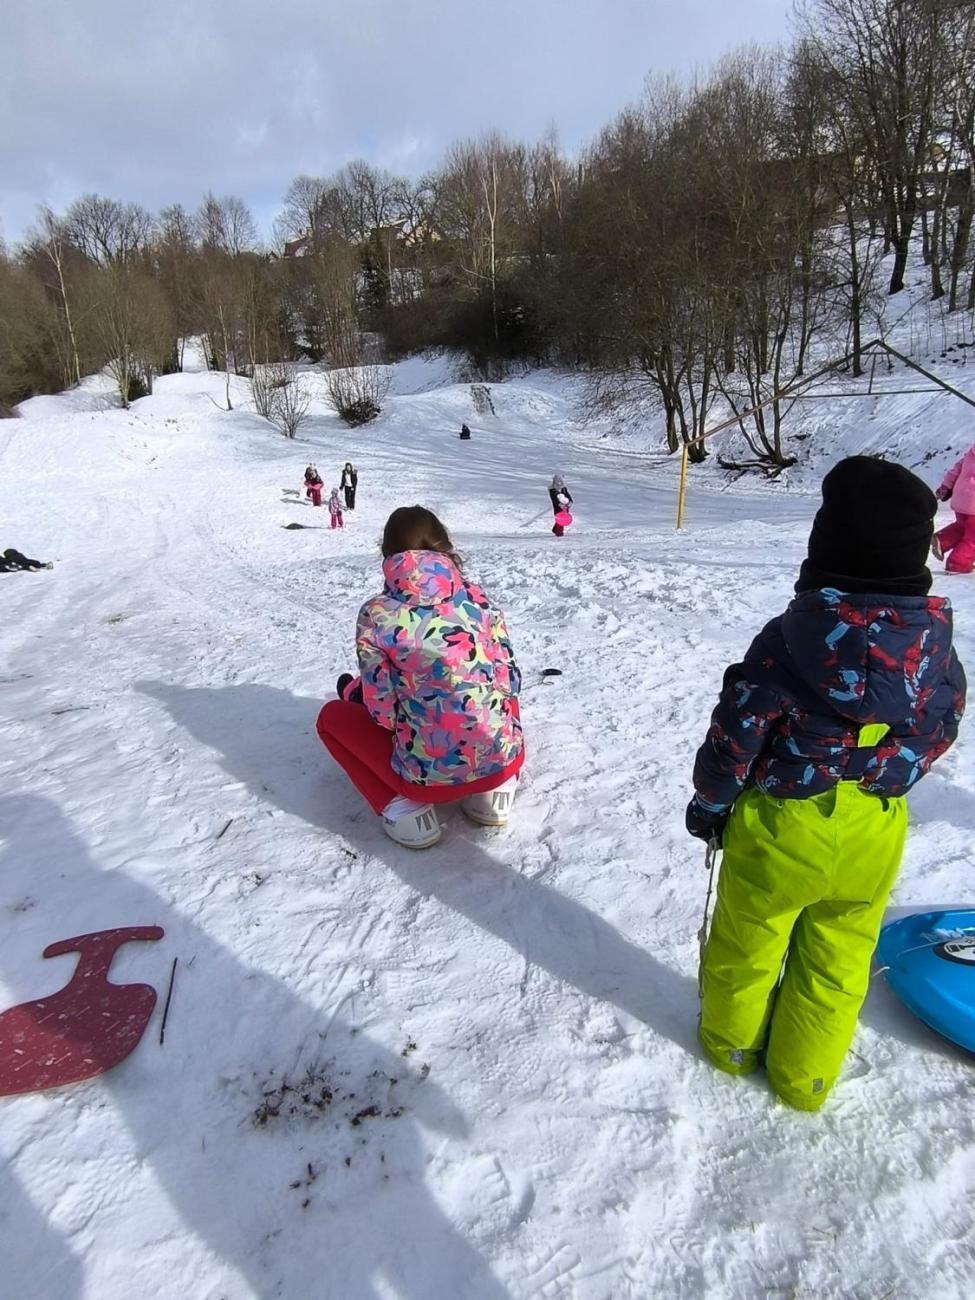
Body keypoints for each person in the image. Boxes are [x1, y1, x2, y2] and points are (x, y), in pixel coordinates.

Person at [686, 457, 966, 1112]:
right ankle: (803, 1078)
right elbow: (941, 724)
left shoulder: (786, 642)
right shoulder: (935, 652)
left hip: (780, 825)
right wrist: (887, 770)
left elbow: (736, 735)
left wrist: (711, 804)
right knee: (838, 957)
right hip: (871, 827)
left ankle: (730, 1046)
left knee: (747, 942)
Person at [316, 506, 524, 848]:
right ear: (445, 547)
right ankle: (495, 792)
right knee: (496, 694)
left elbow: (383, 713)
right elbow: (509, 680)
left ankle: (406, 811)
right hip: (500, 758)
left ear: (388, 556)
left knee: (330, 719)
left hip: (426, 776)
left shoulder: (377, 614)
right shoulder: (477, 599)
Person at [934, 443, 975, 572]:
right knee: (973, 538)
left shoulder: (972, 452)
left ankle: (943, 539)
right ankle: (958, 563)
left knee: (963, 526)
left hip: (961, 497)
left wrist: (945, 487)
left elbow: (956, 469)